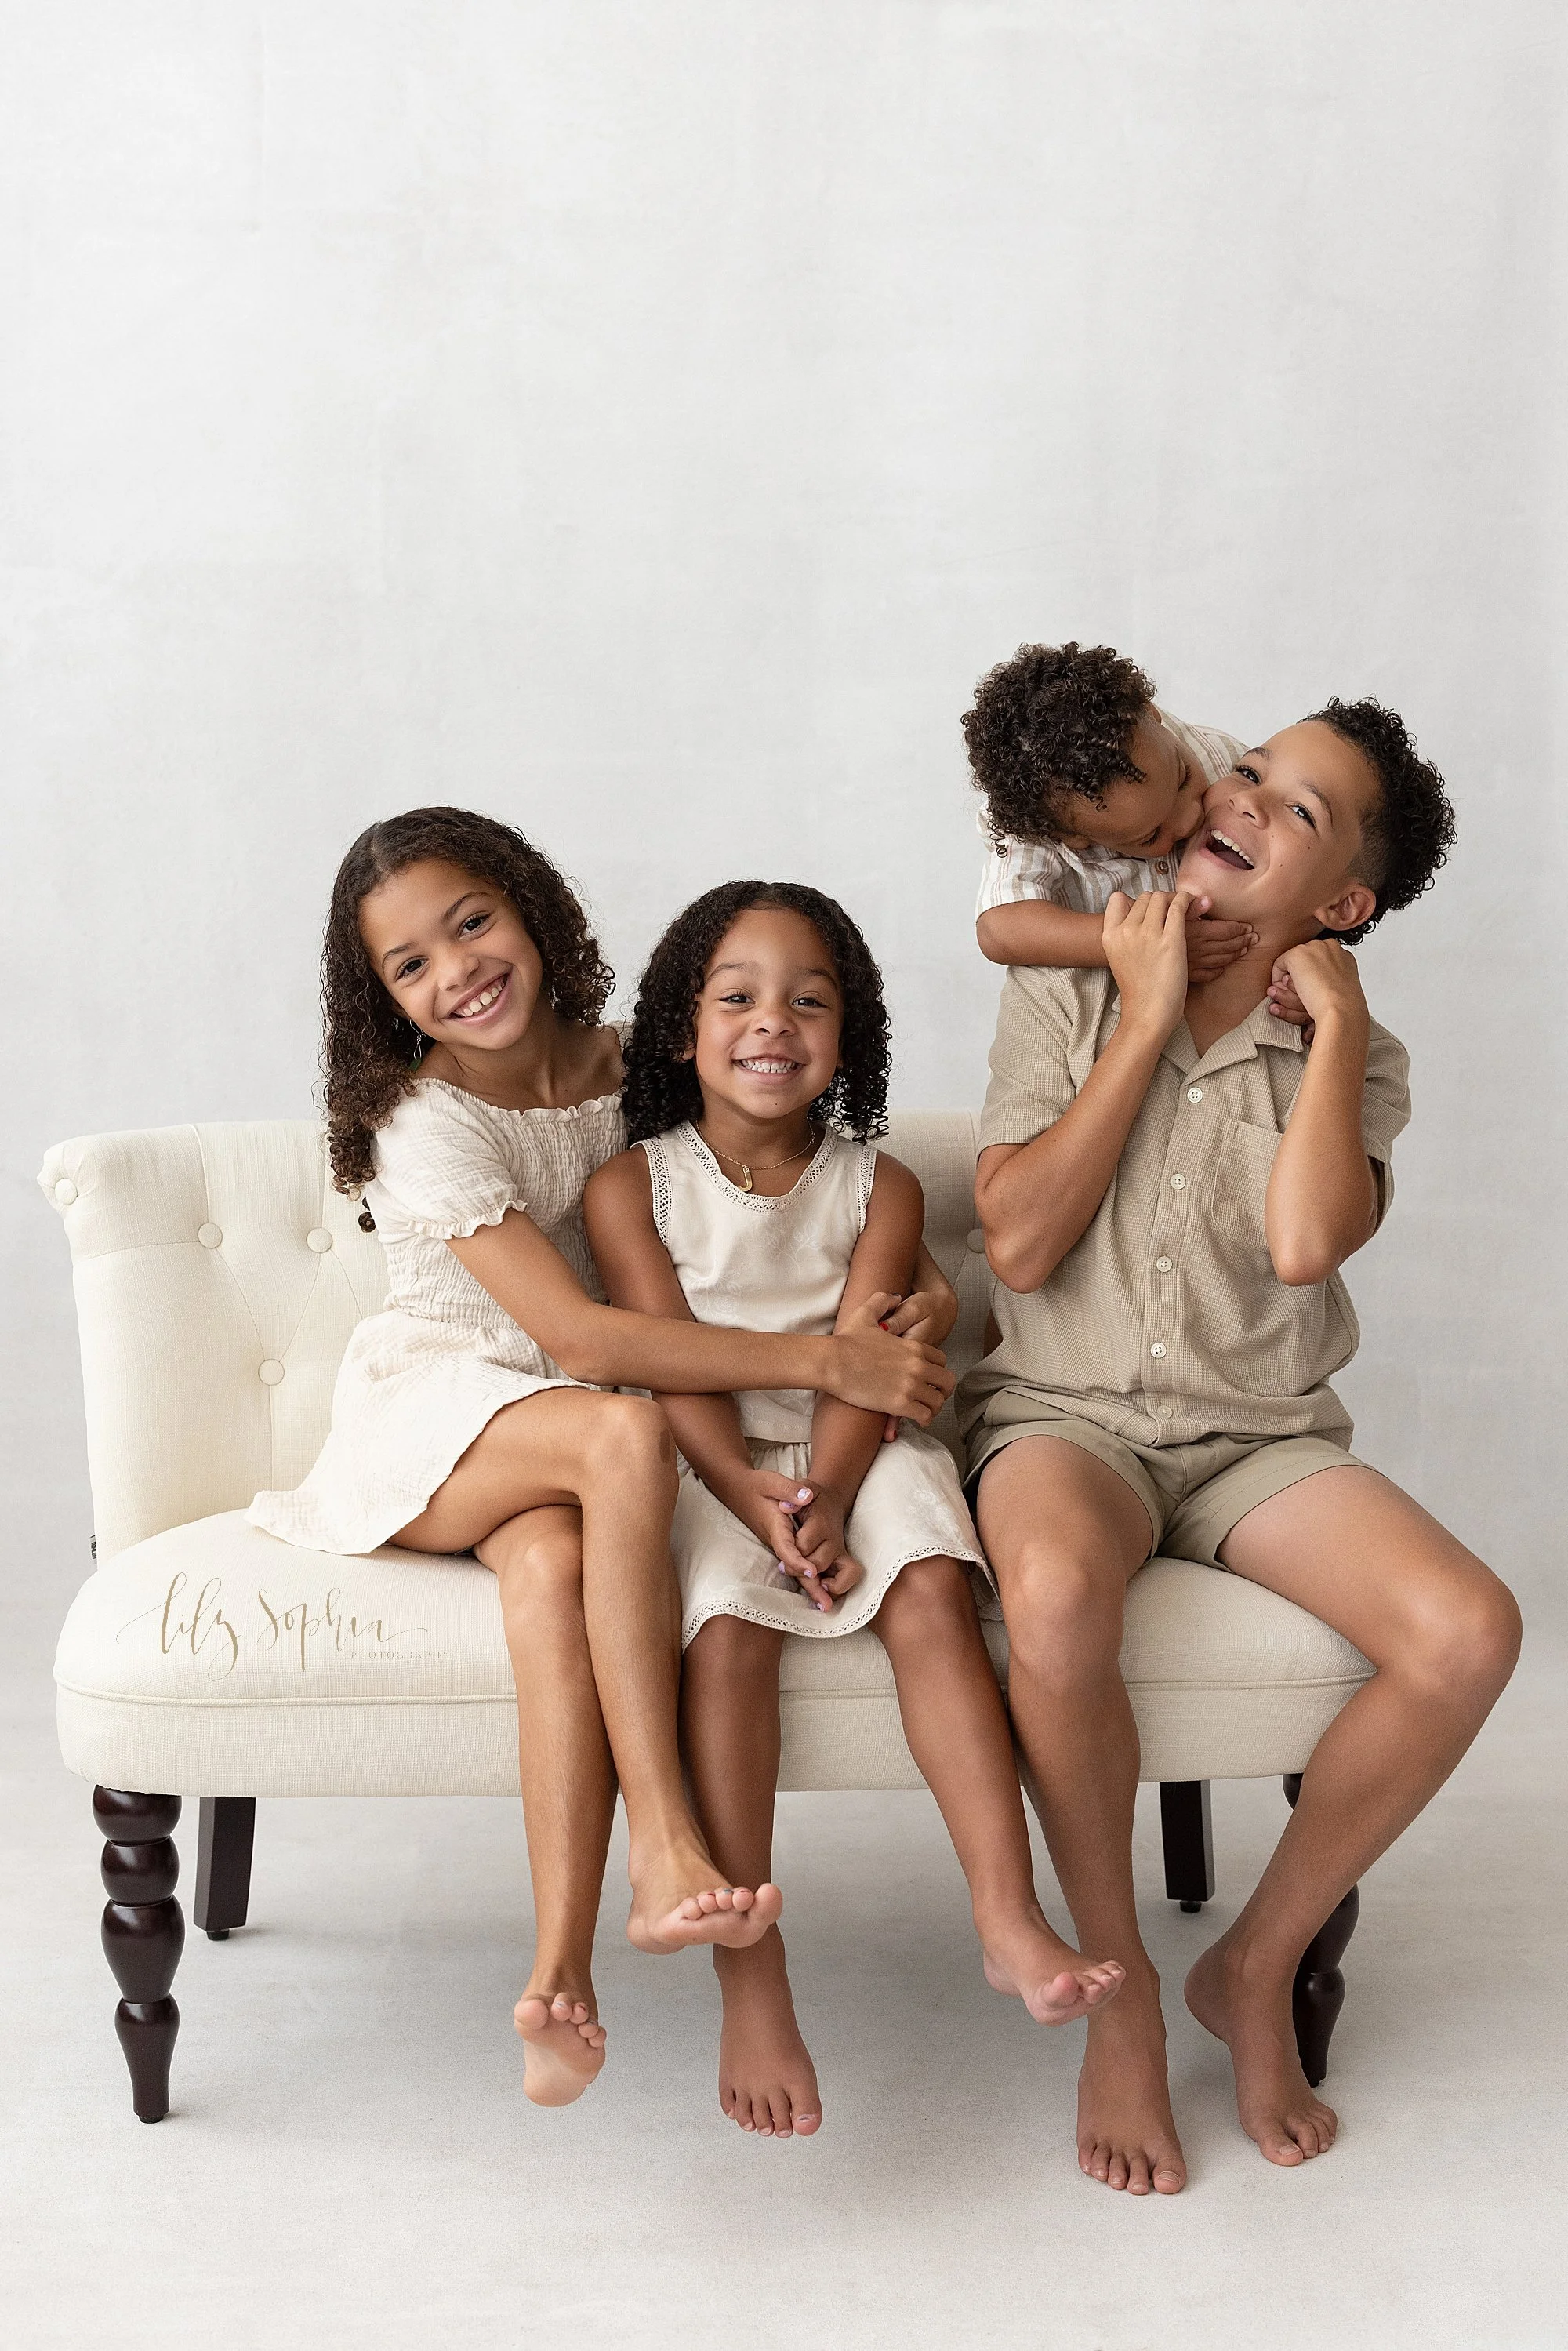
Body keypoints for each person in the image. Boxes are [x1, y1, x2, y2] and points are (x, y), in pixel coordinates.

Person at [249, 809, 953, 2108]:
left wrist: (929, 1298)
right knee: (622, 1430)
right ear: (384, 998)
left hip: (565, 1431)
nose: (458, 969)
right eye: (411, 964)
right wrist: (827, 1362)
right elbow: (575, 1333)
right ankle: (666, 1840)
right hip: (443, 1414)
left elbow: (795, 1189)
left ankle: (559, 1976)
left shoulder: (634, 1063)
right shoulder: (421, 1117)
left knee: (554, 1575)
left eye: (472, 922)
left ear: (531, 908)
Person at [960, 704, 1522, 2194]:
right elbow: (1017, 1244)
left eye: (1302, 810)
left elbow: (1304, 1244)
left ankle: (1257, 1963)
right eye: (1254, 772)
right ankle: (1124, 1995)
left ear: (1345, 902)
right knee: (1057, 1595)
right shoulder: (1071, 974)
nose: (1249, 797)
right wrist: (1144, 1010)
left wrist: (1331, 1030)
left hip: (1256, 1438)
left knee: (1470, 1629)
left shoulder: (1363, 1054)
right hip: (1064, 1417)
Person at [583, 881, 1125, 2143]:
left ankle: (1006, 1911)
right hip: (708, 1454)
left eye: (809, 1000)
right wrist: (753, 1495)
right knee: (727, 1635)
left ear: (850, 1035)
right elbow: (666, 1364)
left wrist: (826, 1494)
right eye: (737, 997)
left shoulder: (879, 1188)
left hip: (856, 1443)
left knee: (930, 1590)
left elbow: (869, 1363)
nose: (773, 1021)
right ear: (682, 1030)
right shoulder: (631, 1187)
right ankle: (753, 1978)